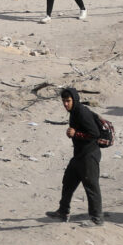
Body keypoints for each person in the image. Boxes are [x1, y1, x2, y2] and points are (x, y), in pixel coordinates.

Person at [46, 87, 104, 225]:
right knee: (68, 182)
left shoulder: (82, 113)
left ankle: (97, 218)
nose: (65, 104)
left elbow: (95, 134)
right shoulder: (74, 112)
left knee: (91, 187)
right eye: (64, 101)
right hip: (79, 155)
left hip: (89, 155)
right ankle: (63, 211)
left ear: (74, 100)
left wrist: (76, 134)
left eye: (68, 101)